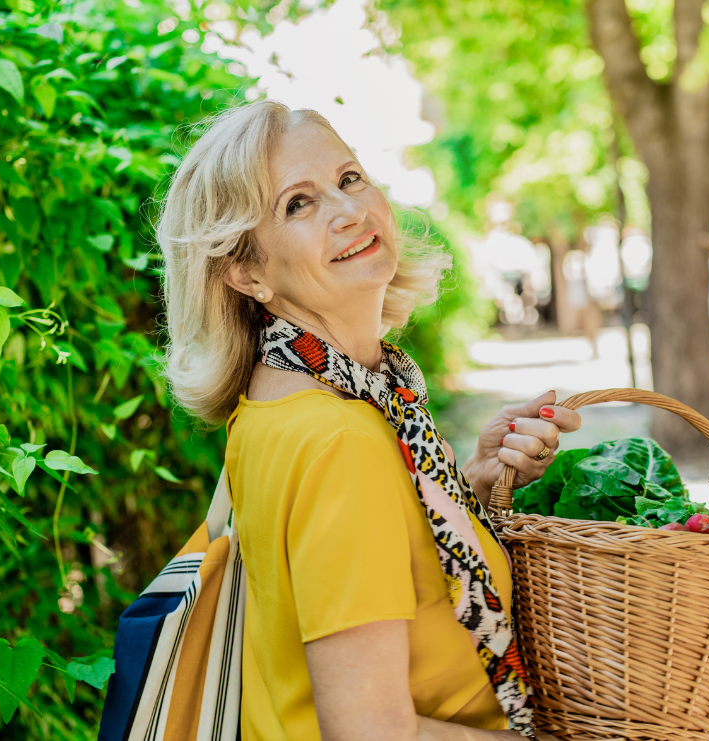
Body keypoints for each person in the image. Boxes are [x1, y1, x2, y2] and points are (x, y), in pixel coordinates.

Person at [158, 99, 580, 741]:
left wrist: (469, 485)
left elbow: (361, 559)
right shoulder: (342, 439)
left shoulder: (295, 404)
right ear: (246, 271)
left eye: (348, 178)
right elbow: (369, 732)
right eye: (299, 203)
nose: (350, 210)